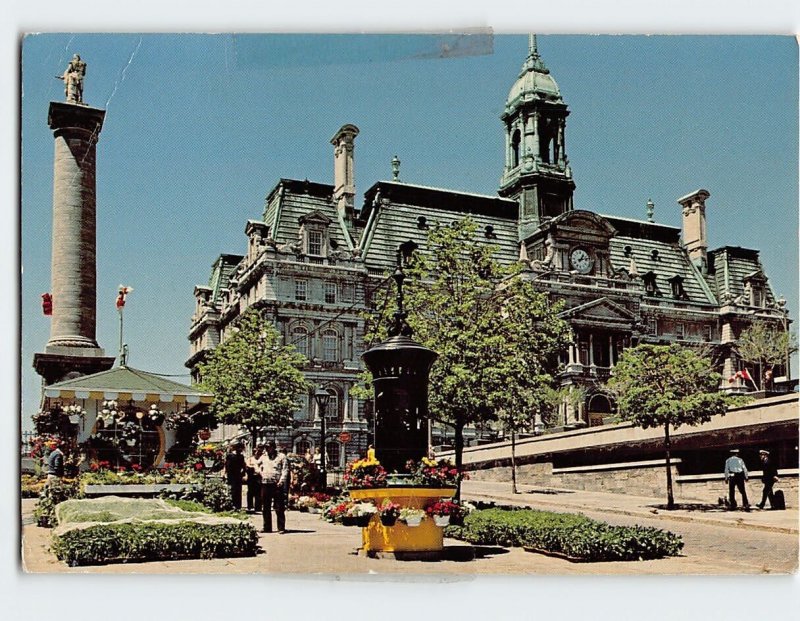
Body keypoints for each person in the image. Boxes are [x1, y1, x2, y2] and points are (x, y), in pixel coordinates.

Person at [258, 441, 288, 533]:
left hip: (276, 484)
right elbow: (256, 463)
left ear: (273, 447)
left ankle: (281, 527)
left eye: (268, 447)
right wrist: (260, 472)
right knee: (265, 506)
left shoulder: (281, 457)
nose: (266, 449)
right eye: (266, 447)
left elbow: (285, 470)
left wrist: (281, 480)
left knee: (279, 507)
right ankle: (267, 527)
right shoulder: (263, 456)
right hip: (265, 483)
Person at [224, 442, 246, 510]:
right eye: (239, 448)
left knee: (238, 491)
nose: (240, 450)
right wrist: (225, 473)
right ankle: (231, 505)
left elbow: (243, 465)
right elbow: (226, 465)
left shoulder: (241, 456)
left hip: (238, 475)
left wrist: (243, 472)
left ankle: (238, 506)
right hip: (231, 475)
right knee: (232, 490)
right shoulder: (230, 455)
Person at [245, 446, 263, 514]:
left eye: (259, 452)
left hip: (258, 477)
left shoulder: (261, 460)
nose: (258, 453)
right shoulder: (250, 459)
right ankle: (250, 506)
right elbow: (247, 465)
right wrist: (252, 467)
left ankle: (258, 507)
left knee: (258, 492)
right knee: (250, 492)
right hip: (251, 477)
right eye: (256, 452)